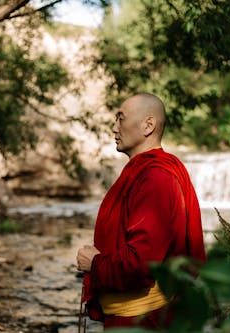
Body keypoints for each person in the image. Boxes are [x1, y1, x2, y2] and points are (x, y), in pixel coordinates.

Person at [76, 93, 206, 330]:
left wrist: (95, 263)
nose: (114, 128)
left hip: (142, 320)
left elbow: (141, 263)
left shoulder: (156, 177)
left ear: (148, 125)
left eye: (120, 119)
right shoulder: (146, 171)